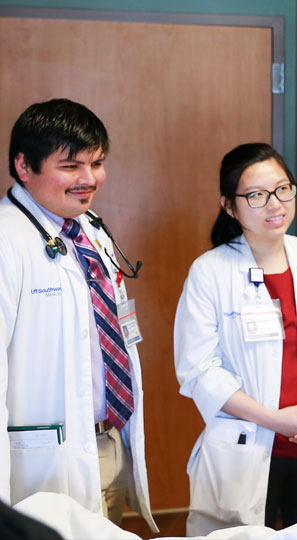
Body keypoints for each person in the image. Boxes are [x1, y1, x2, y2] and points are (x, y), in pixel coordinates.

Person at [174, 142, 297, 535]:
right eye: (256, 195)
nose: (275, 204)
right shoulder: (209, 272)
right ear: (229, 206)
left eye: (283, 189)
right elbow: (199, 370)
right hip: (245, 450)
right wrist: (274, 420)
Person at [0, 99, 156, 530]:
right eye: (71, 166)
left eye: (97, 162)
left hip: (108, 442)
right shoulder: (6, 241)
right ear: (23, 165)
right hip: (43, 459)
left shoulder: (90, 229)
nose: (89, 179)